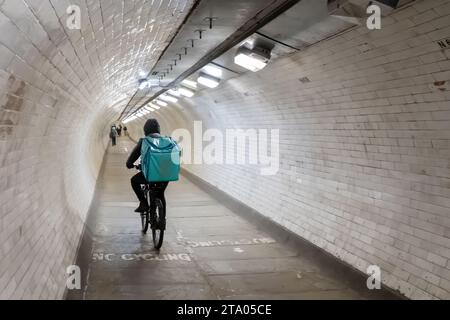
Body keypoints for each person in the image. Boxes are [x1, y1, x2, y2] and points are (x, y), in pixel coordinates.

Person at [126, 119, 168, 213]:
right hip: (166, 174)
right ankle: (162, 221)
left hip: (150, 174)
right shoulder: (167, 140)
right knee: (161, 194)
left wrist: (129, 164)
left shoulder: (144, 141)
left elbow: (133, 157)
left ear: (145, 130)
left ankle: (144, 203)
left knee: (134, 181)